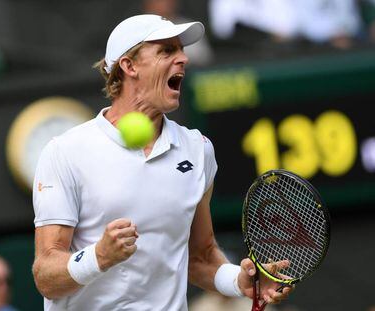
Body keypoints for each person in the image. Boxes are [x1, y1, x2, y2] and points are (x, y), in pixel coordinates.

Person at [32, 14, 293, 310]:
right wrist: (99, 257)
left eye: (181, 50)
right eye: (166, 51)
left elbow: (201, 258)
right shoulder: (65, 151)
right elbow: (46, 278)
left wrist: (239, 281)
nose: (183, 58)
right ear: (129, 66)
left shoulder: (198, 149)